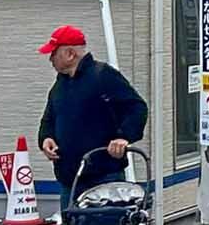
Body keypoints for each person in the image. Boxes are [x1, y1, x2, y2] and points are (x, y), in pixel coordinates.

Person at [37, 24, 148, 197]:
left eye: (53, 53)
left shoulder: (103, 75)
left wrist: (123, 136)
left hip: (104, 176)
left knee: (103, 224)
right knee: (72, 224)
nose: (50, 59)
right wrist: (46, 138)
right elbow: (49, 119)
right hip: (69, 179)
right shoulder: (60, 86)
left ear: (70, 54)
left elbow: (136, 107)